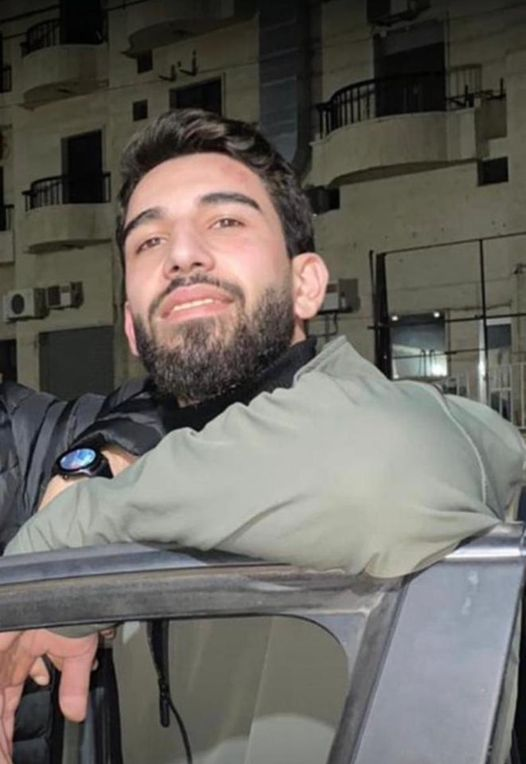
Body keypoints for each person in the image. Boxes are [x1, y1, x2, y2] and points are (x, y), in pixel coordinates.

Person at [0, 108, 524, 762]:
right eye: (149, 241)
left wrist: (60, 545)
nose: (182, 253)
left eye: (226, 221)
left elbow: (386, 465)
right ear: (132, 327)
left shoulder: (404, 426)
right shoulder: (148, 459)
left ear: (307, 285)